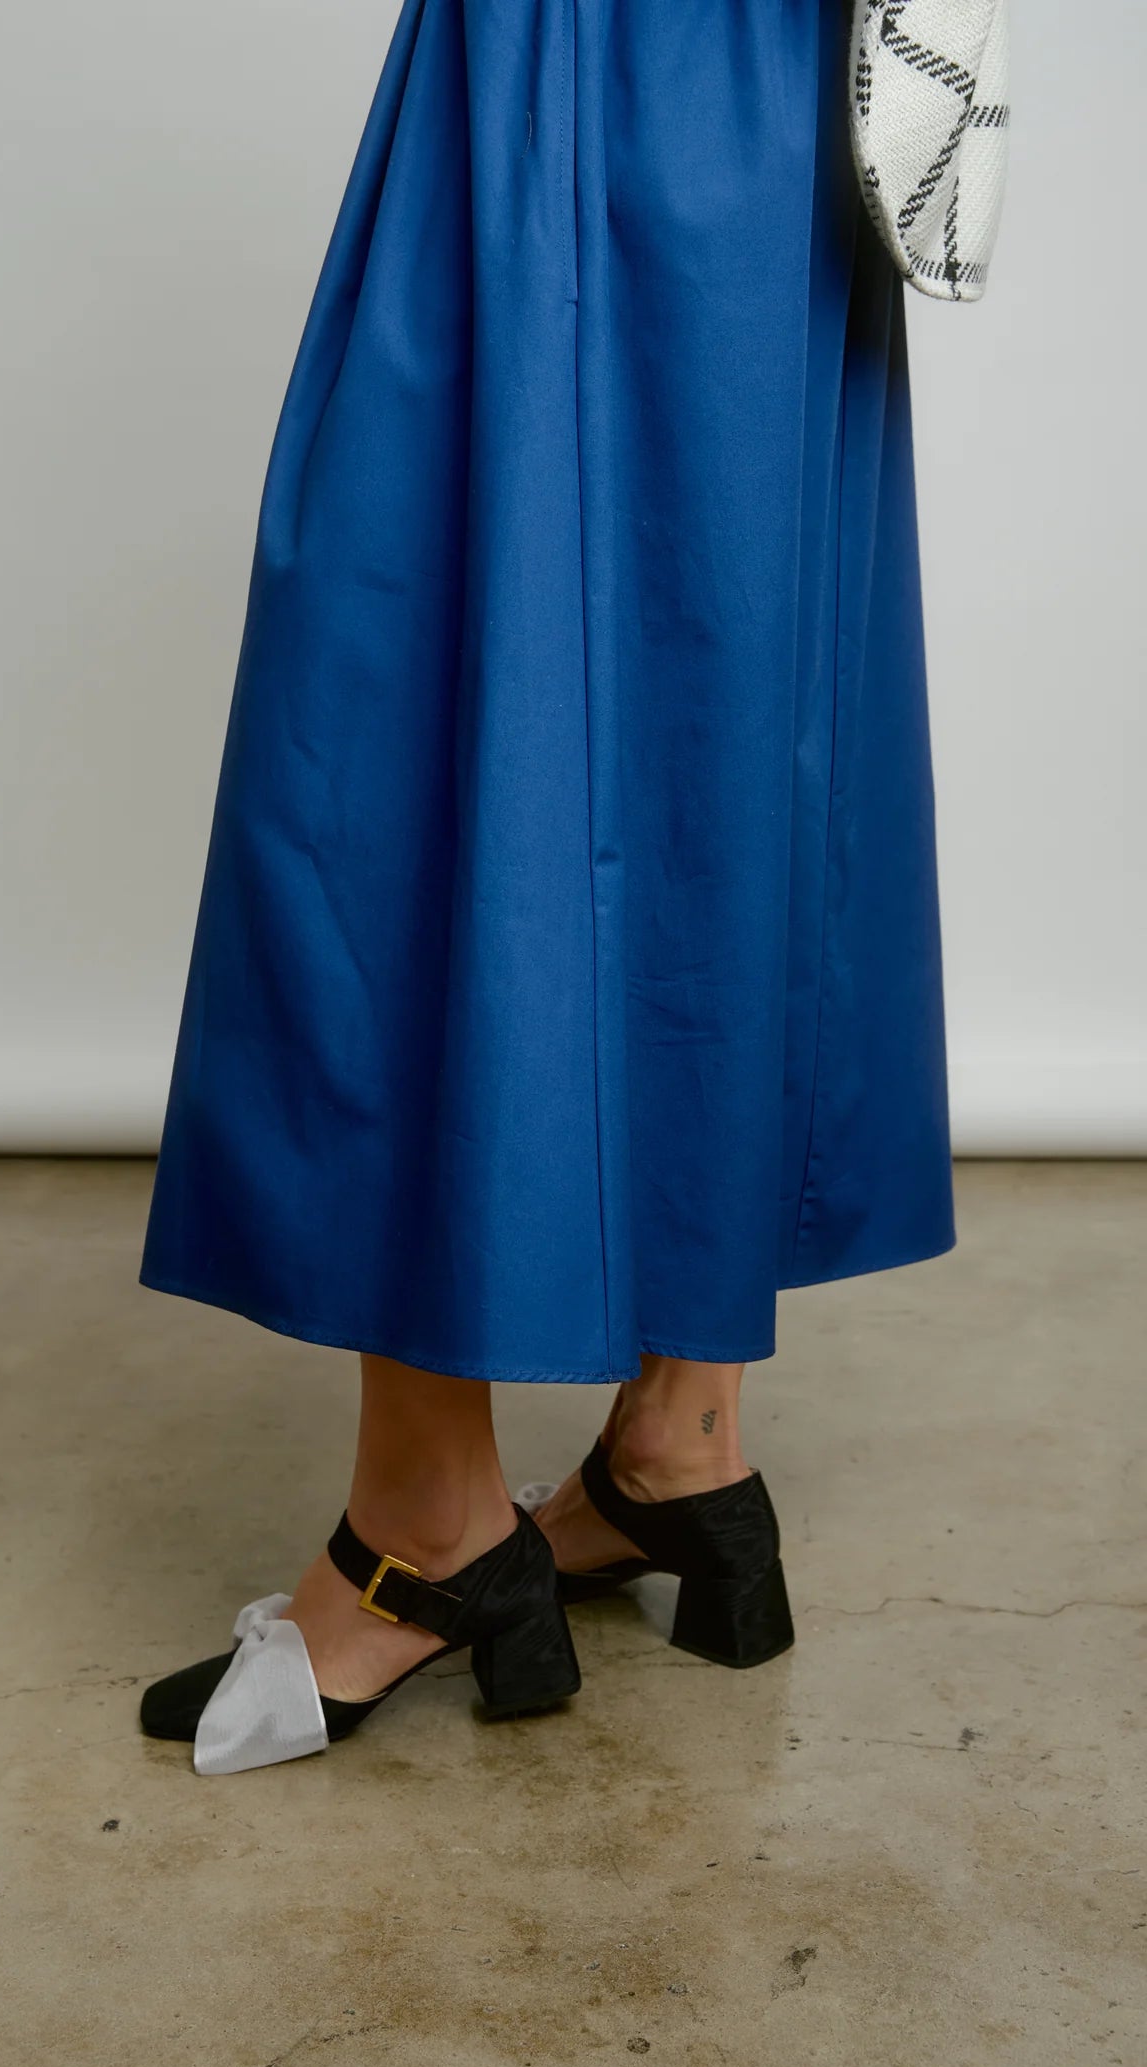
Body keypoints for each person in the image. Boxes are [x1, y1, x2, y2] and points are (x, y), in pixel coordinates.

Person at [138, 0, 955, 1776]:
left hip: (565, 52)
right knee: (724, 686)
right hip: (778, 94)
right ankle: (683, 1441)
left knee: (411, 695)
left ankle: (429, 1523)